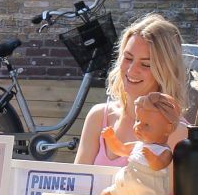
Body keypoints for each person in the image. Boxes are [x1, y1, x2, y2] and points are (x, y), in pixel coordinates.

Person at [73, 13, 189, 166]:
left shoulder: (176, 130)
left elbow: (168, 190)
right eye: (128, 58)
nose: (132, 70)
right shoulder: (98, 116)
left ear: (165, 71)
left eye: (145, 64)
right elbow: (77, 182)